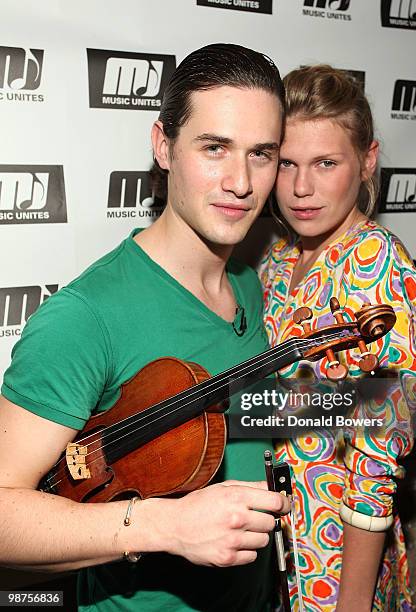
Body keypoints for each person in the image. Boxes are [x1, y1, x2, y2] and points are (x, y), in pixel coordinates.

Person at [0, 43, 291, 612]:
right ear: (164, 146)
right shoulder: (87, 317)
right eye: (215, 148)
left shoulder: (253, 286)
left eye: (262, 154)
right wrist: (166, 527)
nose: (241, 181)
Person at [260, 65, 416, 611]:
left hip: (335, 556)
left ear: (367, 160)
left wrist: (353, 599)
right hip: (274, 540)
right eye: (285, 163)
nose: (300, 188)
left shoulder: (378, 266)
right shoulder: (278, 258)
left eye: (325, 163)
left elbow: (379, 456)